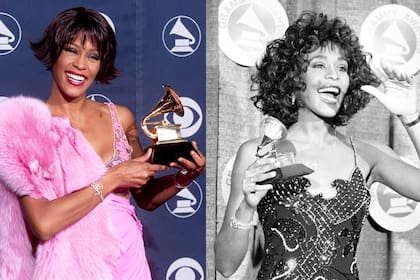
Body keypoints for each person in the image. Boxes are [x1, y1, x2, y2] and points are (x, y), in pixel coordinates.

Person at [0, 7, 205, 280]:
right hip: (71, 267)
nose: (81, 65)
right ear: (54, 52)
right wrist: (112, 178)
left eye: (93, 56)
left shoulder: (120, 118)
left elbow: (144, 196)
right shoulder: (24, 128)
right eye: (72, 50)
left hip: (128, 260)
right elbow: (44, 223)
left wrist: (183, 178)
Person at [214, 11, 420, 280]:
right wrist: (246, 208)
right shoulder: (258, 153)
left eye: (343, 68)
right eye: (320, 65)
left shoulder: (368, 155)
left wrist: (411, 118)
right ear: (293, 78)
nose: (334, 76)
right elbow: (225, 265)